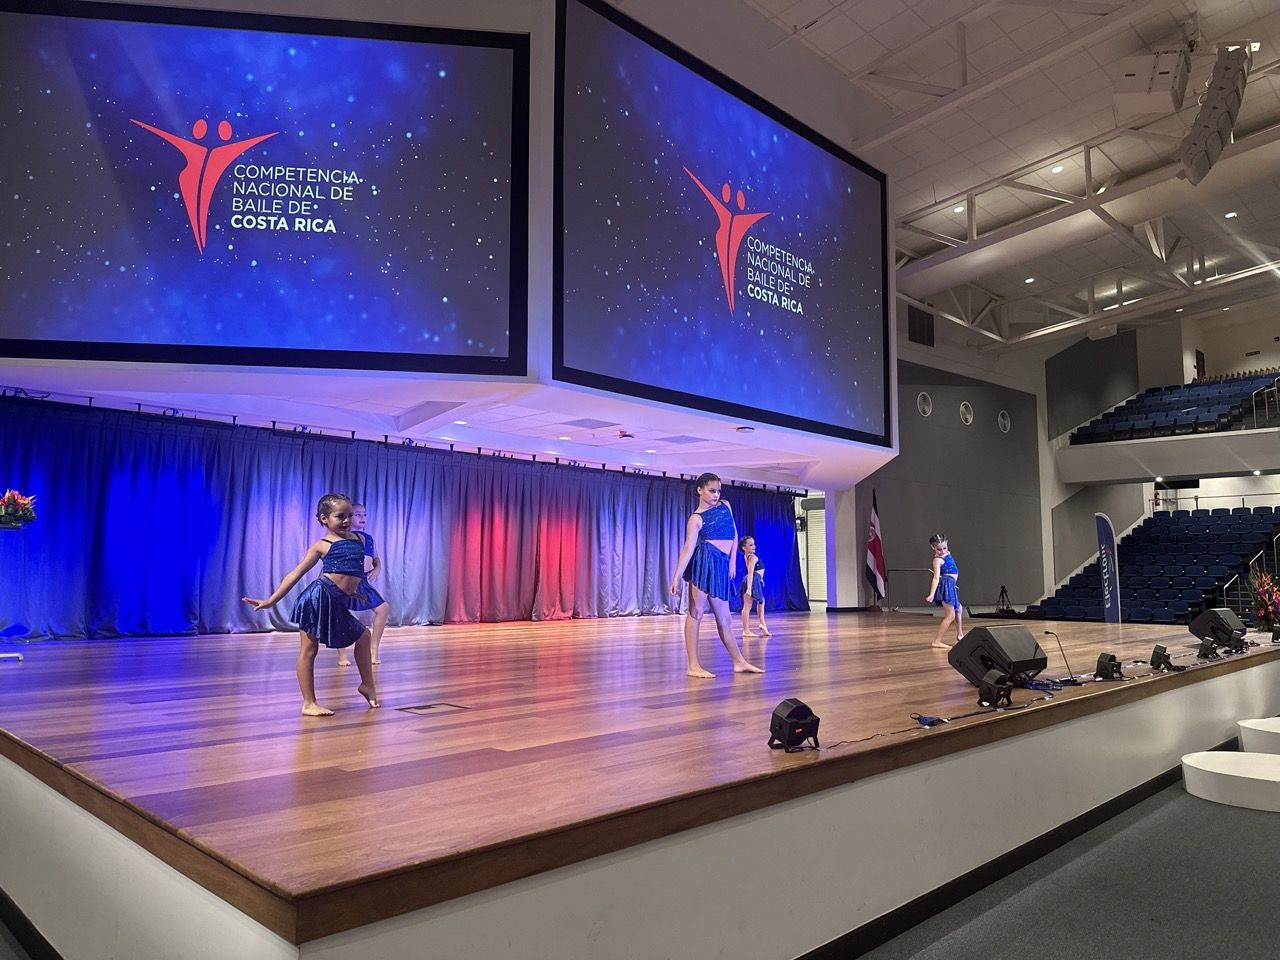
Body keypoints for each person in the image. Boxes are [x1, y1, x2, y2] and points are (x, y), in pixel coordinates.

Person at [242, 493, 380, 715]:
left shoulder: (359, 540)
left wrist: (353, 593)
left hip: (337, 601)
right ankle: (309, 703)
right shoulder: (322, 545)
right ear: (324, 519)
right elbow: (295, 573)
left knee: (364, 637)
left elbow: (351, 572)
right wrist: (270, 601)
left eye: (349, 515)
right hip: (317, 599)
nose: (346, 520)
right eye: (340, 516)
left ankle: (367, 685)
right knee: (309, 650)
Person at [669, 473, 763, 678]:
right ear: (700, 490)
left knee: (725, 618)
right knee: (696, 612)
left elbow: (734, 533)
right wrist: (676, 576)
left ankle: (739, 662)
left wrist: (732, 560)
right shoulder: (696, 518)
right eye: (712, 491)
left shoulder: (725, 505)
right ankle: (692, 665)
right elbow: (688, 549)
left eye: (718, 491)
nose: (716, 494)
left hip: (721, 564)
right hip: (704, 562)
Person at [337, 502, 391, 667]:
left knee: (383, 608)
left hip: (363, 581)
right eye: (358, 514)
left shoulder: (368, 538)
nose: (362, 517)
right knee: (339, 613)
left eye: (365, 514)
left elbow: (376, 558)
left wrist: (378, 567)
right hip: (346, 581)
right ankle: (342, 654)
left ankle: (373, 649)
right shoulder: (343, 537)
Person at [925, 533, 963, 649]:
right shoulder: (938, 560)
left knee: (959, 608)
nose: (943, 551)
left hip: (951, 585)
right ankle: (937, 641)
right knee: (950, 615)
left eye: (945, 548)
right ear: (933, 548)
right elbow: (936, 578)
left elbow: (946, 553)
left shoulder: (947, 554)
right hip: (946, 585)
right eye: (939, 549)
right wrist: (932, 594)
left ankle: (960, 634)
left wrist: (946, 551)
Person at [738, 535, 770, 637]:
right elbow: (750, 572)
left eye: (754, 544)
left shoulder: (747, 556)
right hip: (752, 580)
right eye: (751, 545)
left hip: (754, 579)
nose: (754, 547)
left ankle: (762, 624)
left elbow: (754, 571)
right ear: (744, 547)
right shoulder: (752, 557)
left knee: (761, 601)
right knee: (748, 606)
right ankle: (747, 630)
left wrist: (760, 579)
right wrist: (749, 589)